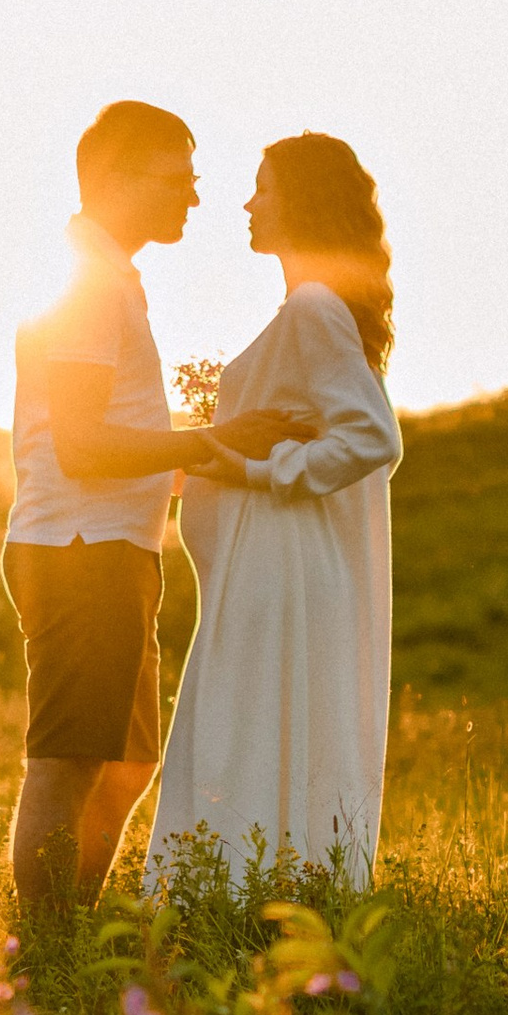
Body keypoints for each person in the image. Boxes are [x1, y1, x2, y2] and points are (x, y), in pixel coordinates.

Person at [5, 101, 313, 915]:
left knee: (128, 762)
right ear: (117, 178)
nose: (197, 199)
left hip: (110, 547)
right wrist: (212, 437)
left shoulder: (109, 279)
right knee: (69, 761)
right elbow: (82, 445)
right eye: (180, 180)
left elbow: (115, 440)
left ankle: (68, 924)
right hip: (80, 548)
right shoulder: (86, 287)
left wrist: (223, 459)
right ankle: (45, 950)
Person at [149, 130, 404, 888]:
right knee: (258, 728)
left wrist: (262, 469)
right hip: (270, 563)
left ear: (302, 199)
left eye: (263, 186)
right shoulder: (311, 309)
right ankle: (264, 893)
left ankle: (235, 895)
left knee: (248, 728)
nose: (248, 203)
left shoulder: (315, 308)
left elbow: (372, 436)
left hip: (281, 566)